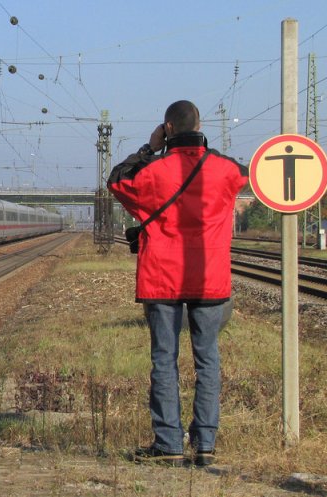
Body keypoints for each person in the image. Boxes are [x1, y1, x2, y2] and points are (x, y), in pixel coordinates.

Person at [107, 100, 248, 466]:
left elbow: (117, 179)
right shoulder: (223, 169)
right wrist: (203, 147)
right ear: (199, 126)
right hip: (209, 277)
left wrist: (149, 147)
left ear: (167, 128)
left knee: (164, 360)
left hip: (162, 279)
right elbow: (245, 173)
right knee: (208, 359)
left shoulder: (153, 171)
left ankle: (169, 444)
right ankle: (205, 445)